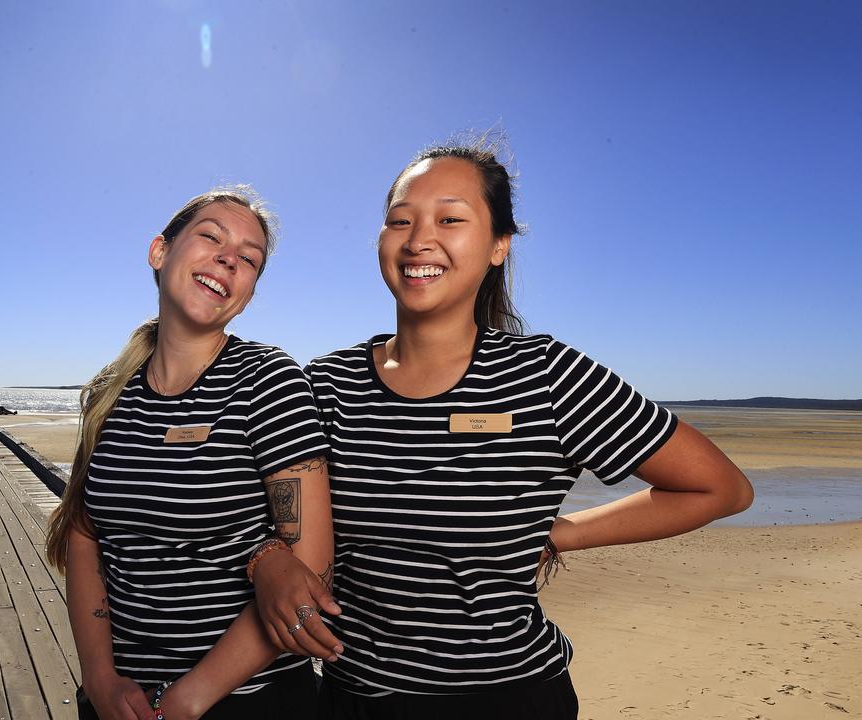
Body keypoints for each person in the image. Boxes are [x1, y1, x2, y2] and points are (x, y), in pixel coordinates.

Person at [296, 136, 754, 719]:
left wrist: (561, 534)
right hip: (348, 698)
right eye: (400, 221)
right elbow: (243, 508)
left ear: (498, 246)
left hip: (507, 698)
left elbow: (723, 489)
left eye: (450, 219)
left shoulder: (548, 376)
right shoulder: (326, 383)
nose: (419, 240)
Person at [45, 187, 341, 720]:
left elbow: (310, 563)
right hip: (121, 701)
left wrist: (190, 697)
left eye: (249, 258)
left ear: (247, 291)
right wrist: (100, 678)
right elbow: (85, 535)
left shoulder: (269, 382)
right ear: (160, 252)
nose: (230, 257)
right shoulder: (108, 393)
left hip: (248, 701)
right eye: (211, 236)